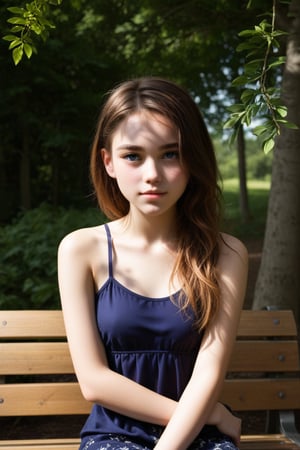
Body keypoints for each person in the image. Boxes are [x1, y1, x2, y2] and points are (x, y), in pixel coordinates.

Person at [58, 76, 248, 450]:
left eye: (170, 154)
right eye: (133, 156)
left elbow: (209, 371)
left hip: (199, 436)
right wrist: (214, 413)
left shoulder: (225, 254)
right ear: (108, 162)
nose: (152, 175)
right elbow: (93, 381)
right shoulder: (81, 249)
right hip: (113, 435)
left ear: (193, 159)